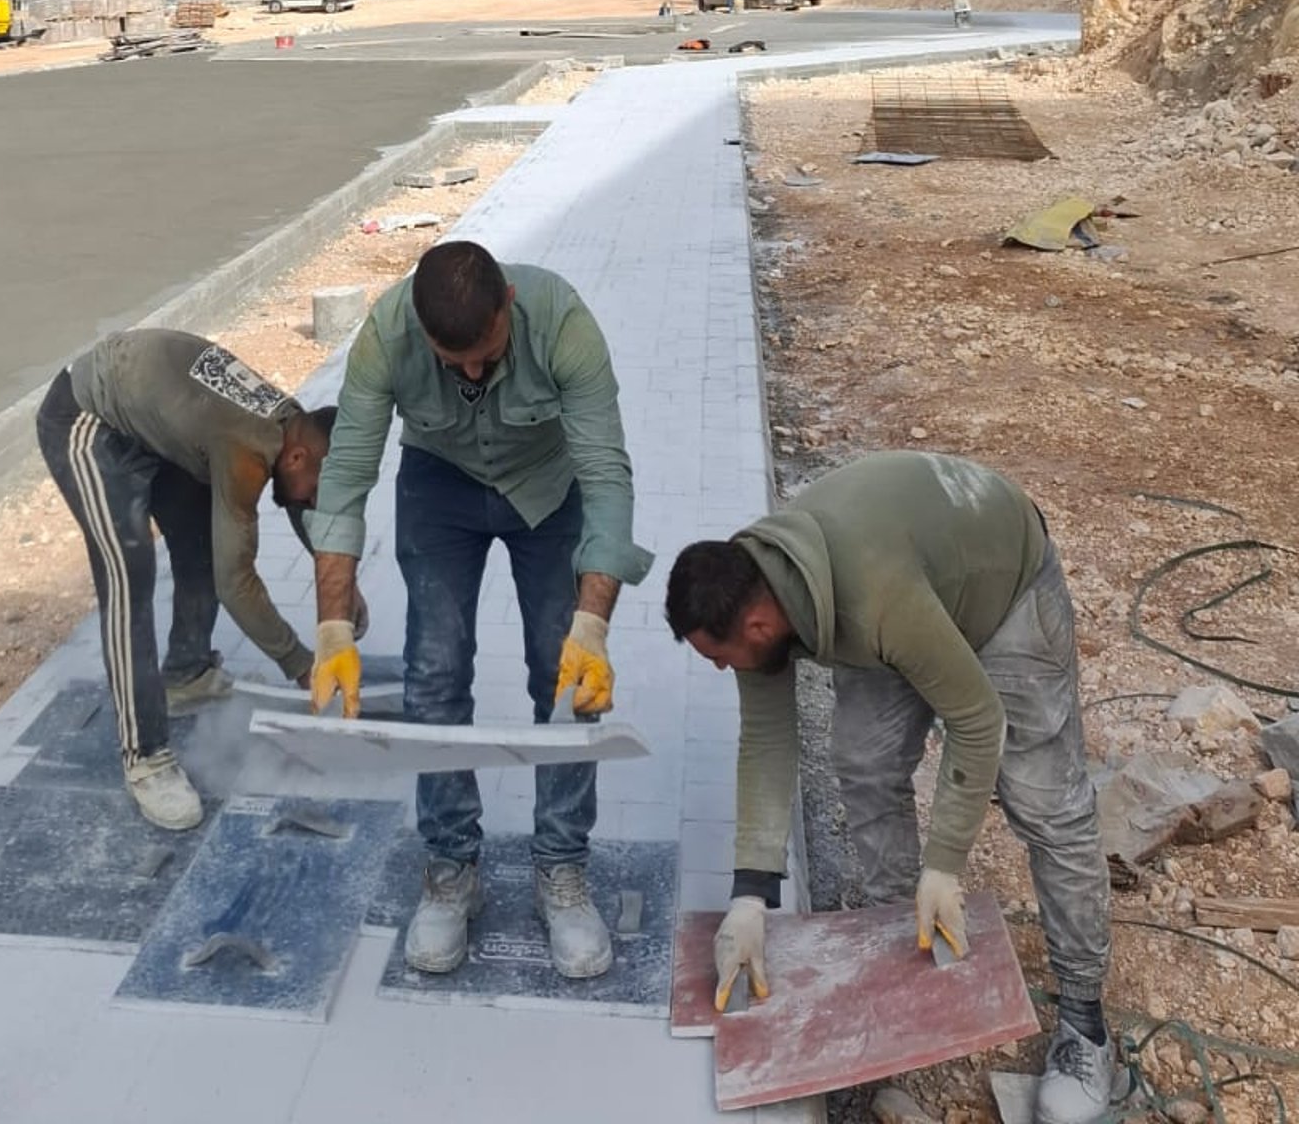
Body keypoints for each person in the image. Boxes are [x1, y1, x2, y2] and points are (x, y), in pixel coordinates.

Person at [665, 452, 1116, 1124]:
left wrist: (944, 866)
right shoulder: (752, 586)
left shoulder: (874, 599)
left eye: (716, 656)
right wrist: (750, 897)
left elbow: (976, 717)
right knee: (864, 761)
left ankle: (1086, 1024)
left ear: (756, 627)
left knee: (1045, 803)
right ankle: (897, 948)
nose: (718, 667)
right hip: (911, 589)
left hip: (1001, 588)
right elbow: (765, 742)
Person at [303, 238, 651, 981]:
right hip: (441, 485)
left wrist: (592, 626)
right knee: (434, 675)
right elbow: (347, 476)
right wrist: (333, 623)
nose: (469, 373)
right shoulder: (386, 335)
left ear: (508, 308)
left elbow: (608, 477)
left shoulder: (561, 323)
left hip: (549, 491)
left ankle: (561, 867)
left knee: (563, 676)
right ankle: (450, 865)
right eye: (449, 359)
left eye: (485, 355)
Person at [36, 328, 337, 831]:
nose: (311, 502)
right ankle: (146, 757)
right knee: (128, 576)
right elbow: (235, 579)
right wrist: (299, 662)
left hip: (156, 426)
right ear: (297, 458)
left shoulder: (291, 427)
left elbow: (301, 503)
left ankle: (186, 676)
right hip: (89, 423)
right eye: (316, 492)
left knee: (198, 543)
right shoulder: (245, 449)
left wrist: (340, 581)